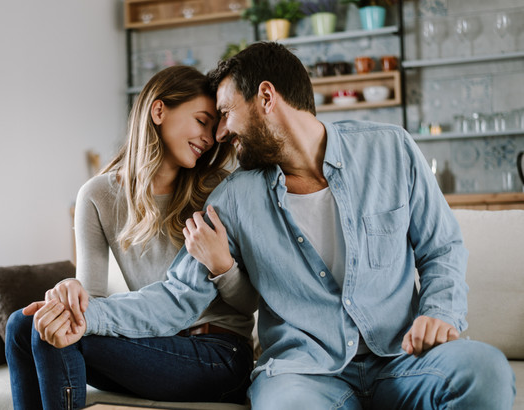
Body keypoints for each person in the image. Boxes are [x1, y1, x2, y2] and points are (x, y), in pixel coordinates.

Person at [25, 43, 516, 409]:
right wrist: (91, 316)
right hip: (302, 375)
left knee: (485, 370)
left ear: (265, 97)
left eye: (222, 114)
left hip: (402, 359)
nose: (219, 134)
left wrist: (441, 312)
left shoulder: (390, 150)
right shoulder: (234, 197)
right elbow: (176, 296)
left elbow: (442, 249)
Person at [5, 65, 257, 410]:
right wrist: (72, 294)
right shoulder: (97, 195)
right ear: (158, 110)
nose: (210, 138)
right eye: (201, 121)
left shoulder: (216, 192)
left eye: (214, 128)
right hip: (151, 342)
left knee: (61, 335)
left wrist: (223, 267)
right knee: (22, 324)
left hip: (219, 355)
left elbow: (244, 303)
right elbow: (91, 297)